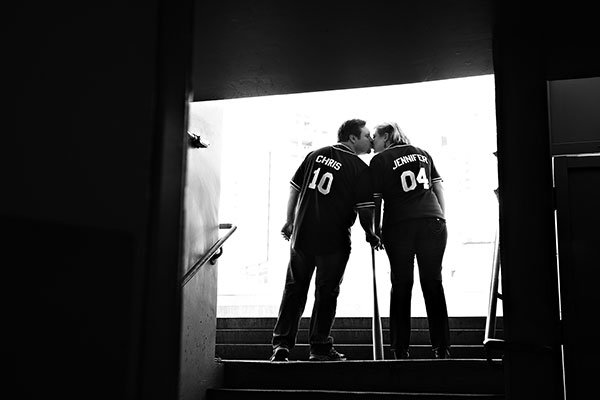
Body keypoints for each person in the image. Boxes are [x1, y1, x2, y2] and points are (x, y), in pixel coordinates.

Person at [270, 119, 381, 362]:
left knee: (294, 290)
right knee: (326, 293)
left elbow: (294, 189)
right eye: (365, 136)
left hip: (303, 235)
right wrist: (370, 233)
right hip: (334, 239)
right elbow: (364, 210)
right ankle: (319, 348)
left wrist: (290, 221)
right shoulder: (360, 168)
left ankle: (282, 345)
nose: (370, 141)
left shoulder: (314, 155)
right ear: (352, 138)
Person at [369, 122, 451, 359]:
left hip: (400, 225)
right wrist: (440, 216)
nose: (373, 142)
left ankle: (400, 348)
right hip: (432, 221)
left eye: (375, 137)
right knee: (433, 283)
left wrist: (376, 229)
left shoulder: (380, 161)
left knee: (402, 285)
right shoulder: (423, 153)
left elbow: (377, 200)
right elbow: (438, 188)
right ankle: (442, 346)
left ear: (386, 136)